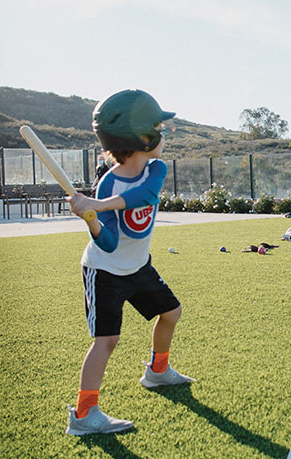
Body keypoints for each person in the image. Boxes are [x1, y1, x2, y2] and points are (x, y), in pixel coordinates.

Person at [64, 89, 194, 436]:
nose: (162, 134)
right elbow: (105, 242)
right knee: (106, 340)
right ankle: (83, 414)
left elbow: (146, 195)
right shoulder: (107, 182)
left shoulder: (155, 168)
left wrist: (99, 206)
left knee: (171, 312)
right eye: (157, 127)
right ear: (141, 136)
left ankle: (157, 371)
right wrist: (91, 219)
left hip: (137, 265)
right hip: (104, 270)